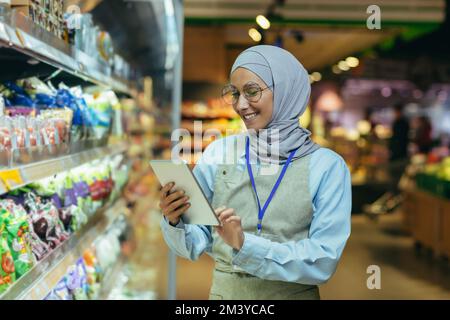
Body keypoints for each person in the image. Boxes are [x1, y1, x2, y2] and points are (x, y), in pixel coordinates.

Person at [158, 45, 352, 300]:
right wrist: (175, 220)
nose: (240, 105)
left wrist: (245, 244)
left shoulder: (327, 167)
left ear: (285, 91)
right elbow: (196, 242)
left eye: (252, 92)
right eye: (235, 93)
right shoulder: (219, 152)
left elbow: (323, 260)